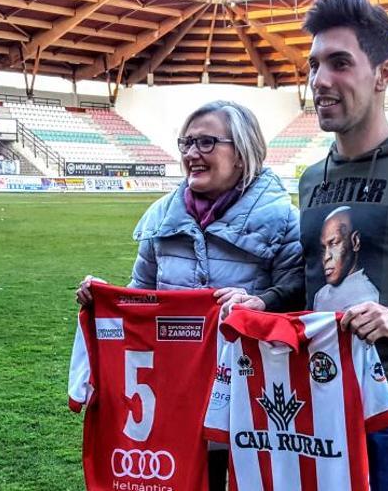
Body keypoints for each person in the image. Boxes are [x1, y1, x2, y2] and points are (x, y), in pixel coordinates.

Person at [236, 0, 388, 489]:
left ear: (384, 74)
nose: (320, 80)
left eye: (340, 63)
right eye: (314, 64)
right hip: (319, 401)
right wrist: (265, 303)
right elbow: (310, 281)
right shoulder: (313, 177)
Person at [76, 100, 304, 491]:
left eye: (206, 143)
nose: (191, 154)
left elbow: (299, 300)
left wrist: (261, 303)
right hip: (173, 390)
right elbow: (139, 299)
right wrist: (104, 301)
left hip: (250, 394)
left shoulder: (283, 219)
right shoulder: (160, 217)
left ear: (242, 150)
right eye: (186, 143)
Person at [313, 205, 379, 311]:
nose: (326, 257)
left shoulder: (367, 297)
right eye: (323, 249)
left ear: (355, 242)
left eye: (333, 243)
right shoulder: (320, 295)